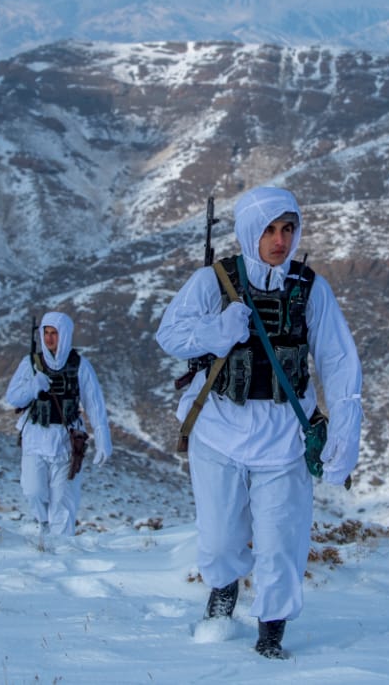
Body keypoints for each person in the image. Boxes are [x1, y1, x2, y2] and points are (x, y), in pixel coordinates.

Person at [155, 185, 364, 659]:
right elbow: (170, 333)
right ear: (251, 231)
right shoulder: (215, 281)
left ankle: (271, 629)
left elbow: (338, 359)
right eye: (269, 229)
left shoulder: (310, 289)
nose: (280, 240)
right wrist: (216, 330)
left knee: (281, 541)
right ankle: (223, 586)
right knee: (220, 536)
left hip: (284, 435)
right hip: (219, 429)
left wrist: (346, 428)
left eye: (288, 229)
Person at [4, 311, 113, 537]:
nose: (49, 338)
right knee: (33, 490)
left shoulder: (80, 366)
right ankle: (42, 524)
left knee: (63, 499)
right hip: (35, 436)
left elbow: (94, 404)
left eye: (54, 333)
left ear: (64, 335)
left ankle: (61, 548)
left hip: (66, 441)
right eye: (46, 333)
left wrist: (103, 439)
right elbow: (13, 397)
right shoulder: (31, 364)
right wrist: (33, 386)